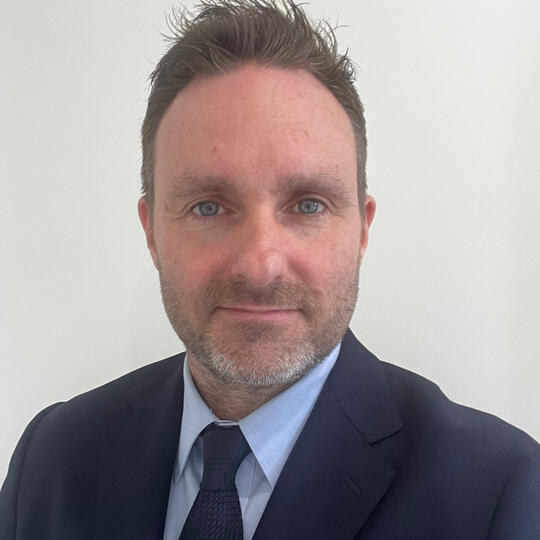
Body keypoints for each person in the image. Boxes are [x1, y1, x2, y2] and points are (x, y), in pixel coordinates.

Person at [1, 0, 539, 538]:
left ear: (362, 229)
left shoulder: (502, 494)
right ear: (151, 232)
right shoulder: (51, 457)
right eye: (208, 207)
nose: (261, 265)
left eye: (308, 205)